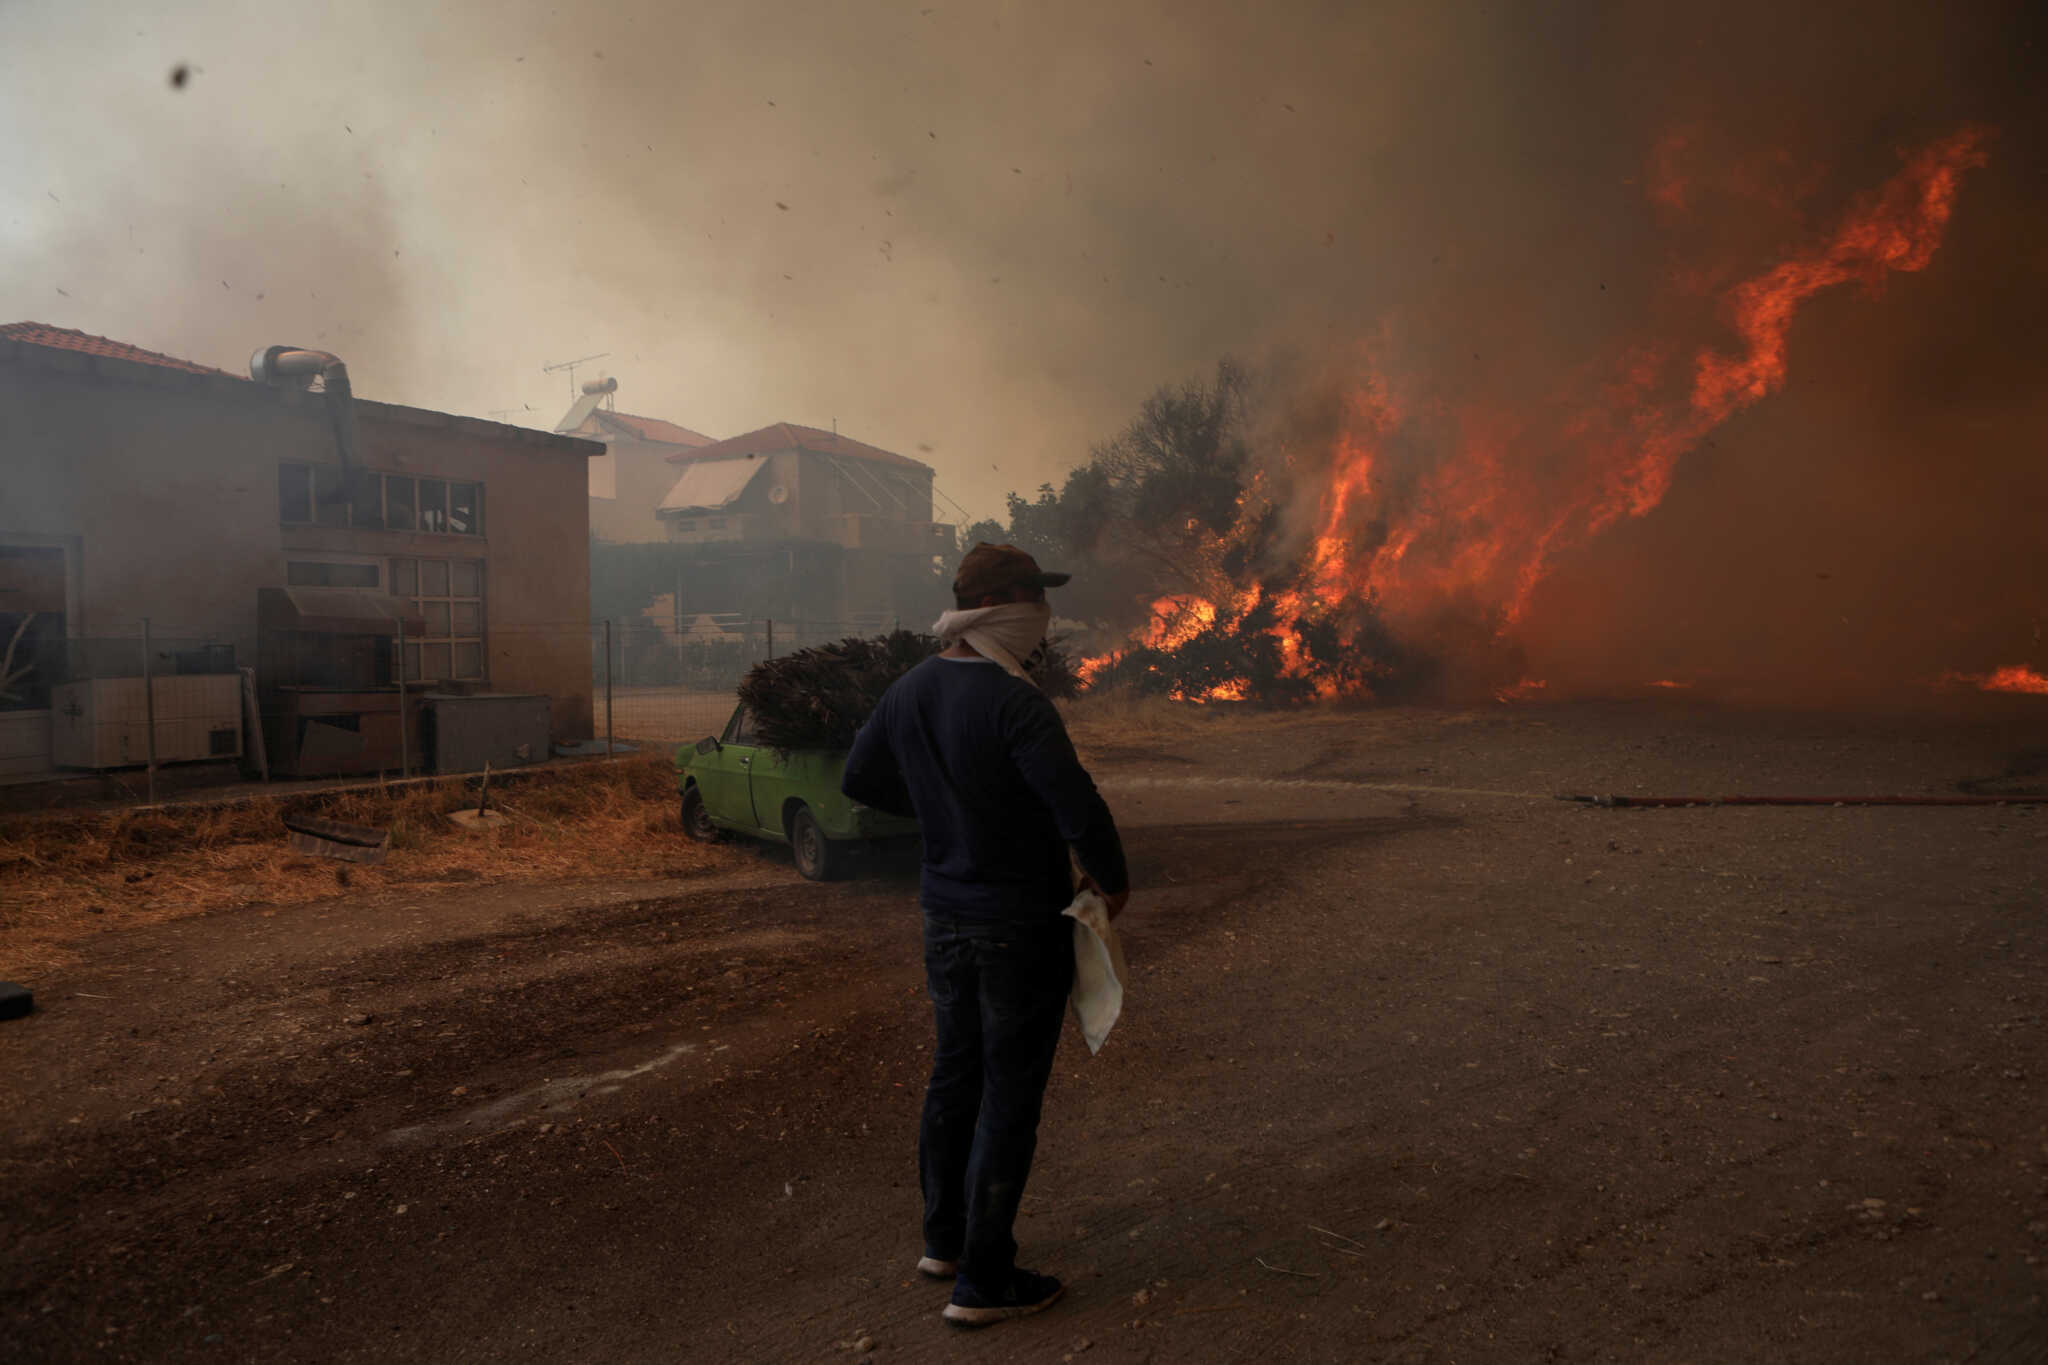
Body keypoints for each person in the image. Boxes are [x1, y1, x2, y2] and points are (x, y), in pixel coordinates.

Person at [842, 542, 1129, 1329]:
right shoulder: (1015, 702)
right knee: (1008, 1092)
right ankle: (986, 1279)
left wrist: (945, 808)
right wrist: (1113, 881)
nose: (1046, 616)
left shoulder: (910, 689)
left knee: (955, 1072)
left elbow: (859, 776)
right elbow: (1075, 802)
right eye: (1037, 599)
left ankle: (945, 1242)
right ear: (1004, 607)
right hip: (1016, 923)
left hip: (944, 915)